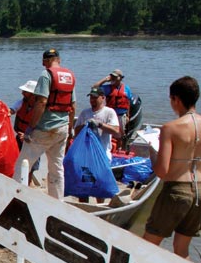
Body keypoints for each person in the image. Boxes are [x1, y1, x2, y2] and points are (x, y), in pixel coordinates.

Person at [143, 76, 201, 259]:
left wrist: (153, 153)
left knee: (148, 245)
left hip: (177, 190)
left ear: (175, 99)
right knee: (181, 249)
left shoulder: (170, 128)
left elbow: (162, 171)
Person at [12, 49, 76, 200]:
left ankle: (15, 200)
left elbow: (41, 102)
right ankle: (57, 202)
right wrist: (70, 128)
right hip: (63, 128)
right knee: (56, 168)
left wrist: (30, 128)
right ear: (58, 60)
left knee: (22, 165)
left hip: (45, 128)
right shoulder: (69, 76)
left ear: (44, 61)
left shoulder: (46, 74)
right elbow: (72, 106)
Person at [73, 86, 121, 161]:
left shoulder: (109, 112)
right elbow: (76, 132)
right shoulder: (85, 113)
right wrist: (84, 125)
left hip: (103, 154)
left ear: (103, 98)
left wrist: (99, 124)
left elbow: (116, 131)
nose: (92, 100)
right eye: (91, 97)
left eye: (95, 98)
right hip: (86, 154)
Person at [92, 69, 133, 150]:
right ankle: (109, 149)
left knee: (120, 135)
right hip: (110, 115)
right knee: (108, 133)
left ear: (121, 78)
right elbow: (94, 87)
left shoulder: (127, 89)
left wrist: (128, 116)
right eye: (112, 76)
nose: (113, 78)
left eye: (115, 77)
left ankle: (120, 149)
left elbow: (128, 103)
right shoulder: (107, 88)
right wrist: (105, 80)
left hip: (122, 115)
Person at [9, 80, 40, 185]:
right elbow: (12, 110)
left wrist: (28, 136)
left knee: (31, 165)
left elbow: (42, 128)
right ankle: (17, 182)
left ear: (33, 94)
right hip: (20, 137)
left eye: (25, 92)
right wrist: (5, 112)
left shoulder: (40, 108)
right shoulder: (21, 103)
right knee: (15, 160)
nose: (22, 93)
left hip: (34, 139)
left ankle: (29, 183)